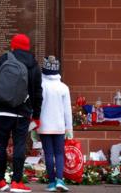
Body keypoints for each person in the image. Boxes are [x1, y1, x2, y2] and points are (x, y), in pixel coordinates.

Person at [0, 34, 43, 192]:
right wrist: (36, 115)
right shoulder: (33, 65)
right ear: (28, 46)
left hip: (1, 111)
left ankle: (0, 181)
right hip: (22, 112)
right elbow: (38, 92)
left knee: (0, 146)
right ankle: (17, 182)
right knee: (19, 145)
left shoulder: (4, 58)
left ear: (13, 46)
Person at [37, 55, 72, 192]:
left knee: (48, 153)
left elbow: (36, 107)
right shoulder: (63, 87)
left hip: (44, 126)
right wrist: (69, 128)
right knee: (59, 153)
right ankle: (60, 179)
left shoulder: (40, 86)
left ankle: (51, 182)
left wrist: (34, 126)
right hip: (59, 126)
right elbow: (67, 110)